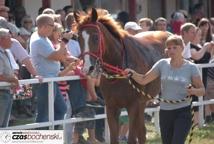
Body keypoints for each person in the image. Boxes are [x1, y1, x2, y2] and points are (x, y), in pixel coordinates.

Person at [125, 35, 205, 144]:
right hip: (165, 112)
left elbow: (202, 90)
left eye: (174, 47)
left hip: (183, 111)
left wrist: (194, 91)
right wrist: (132, 73)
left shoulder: (191, 68)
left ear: (182, 48)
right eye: (169, 48)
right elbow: (144, 79)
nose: (171, 50)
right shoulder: (162, 64)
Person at [29, 14, 67, 125]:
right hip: (45, 82)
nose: (54, 27)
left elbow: (59, 55)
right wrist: (64, 41)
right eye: (52, 25)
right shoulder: (38, 40)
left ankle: (51, 136)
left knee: (61, 109)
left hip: (50, 80)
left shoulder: (42, 37)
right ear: (44, 26)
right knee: (43, 115)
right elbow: (57, 56)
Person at [0, 28, 19, 127]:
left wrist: (13, 77)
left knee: (4, 126)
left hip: (7, 92)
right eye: (9, 37)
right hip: (2, 93)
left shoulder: (6, 52)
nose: (11, 40)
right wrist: (12, 79)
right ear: (1, 39)